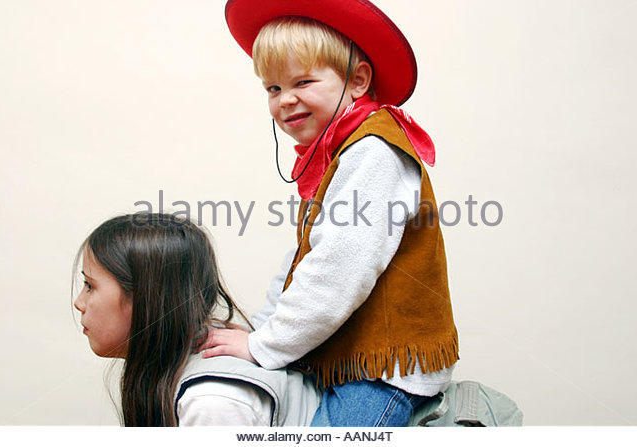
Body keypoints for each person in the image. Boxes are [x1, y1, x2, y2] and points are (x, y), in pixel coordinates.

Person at [200, 0, 460, 427]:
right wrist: (262, 331)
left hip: (384, 372)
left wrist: (265, 346)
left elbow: (338, 270)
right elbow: (305, 259)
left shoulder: (373, 153)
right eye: (273, 88)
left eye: (302, 81)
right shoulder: (336, 152)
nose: (285, 100)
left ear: (357, 81)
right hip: (347, 355)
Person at [73, 213, 320, 426]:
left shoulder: (212, 402)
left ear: (147, 298)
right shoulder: (185, 373)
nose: (79, 303)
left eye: (89, 285)